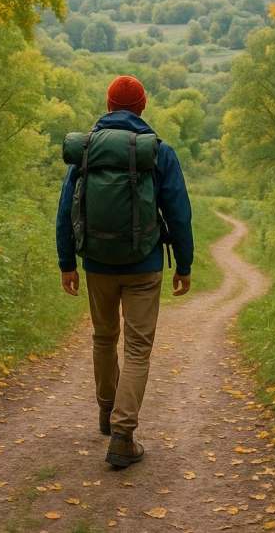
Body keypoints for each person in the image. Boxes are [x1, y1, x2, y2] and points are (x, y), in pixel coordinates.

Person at [56, 76, 194, 468]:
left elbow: (67, 208)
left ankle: (105, 412)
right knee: (137, 348)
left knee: (103, 337)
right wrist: (184, 264)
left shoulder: (86, 149)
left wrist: (67, 262)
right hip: (144, 266)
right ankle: (122, 433)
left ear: (108, 104)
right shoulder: (158, 151)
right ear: (142, 106)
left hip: (96, 263)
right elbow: (179, 212)